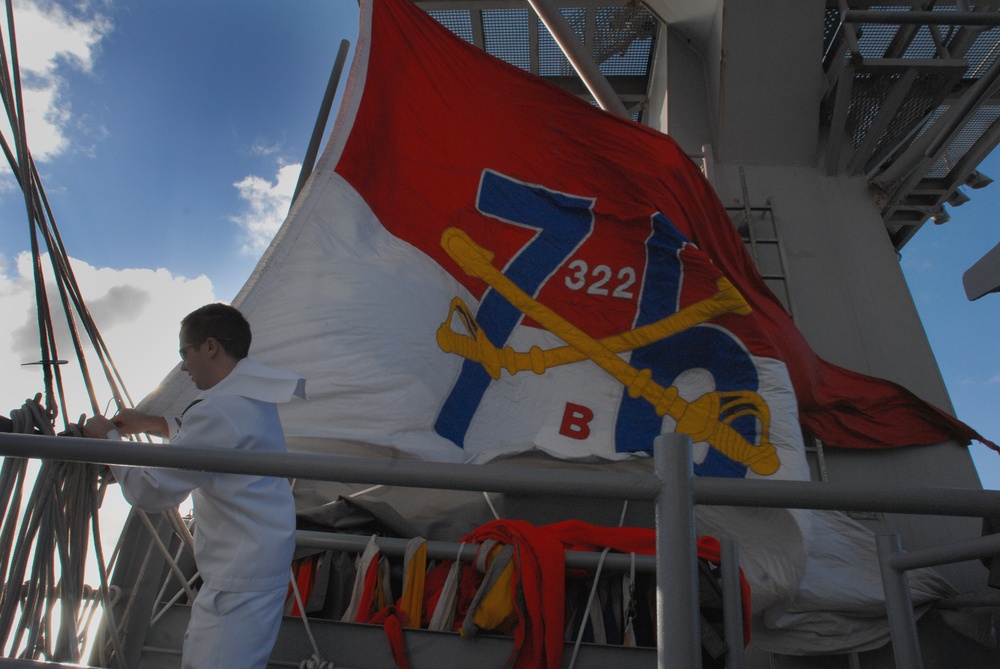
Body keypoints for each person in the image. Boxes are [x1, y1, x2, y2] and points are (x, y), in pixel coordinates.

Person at [84, 303, 305, 669]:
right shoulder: (251, 396)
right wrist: (148, 423)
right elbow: (210, 437)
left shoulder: (220, 410)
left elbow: (152, 491)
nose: (183, 367)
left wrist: (106, 440)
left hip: (237, 584)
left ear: (209, 347)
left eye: (183, 353)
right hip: (251, 570)